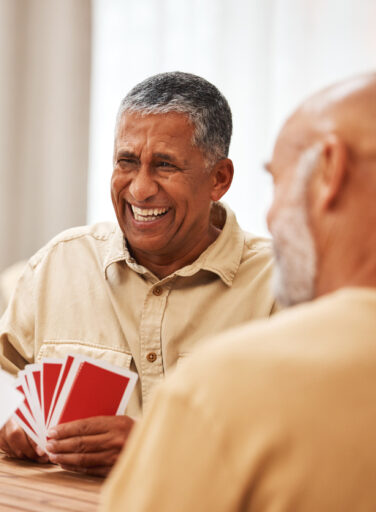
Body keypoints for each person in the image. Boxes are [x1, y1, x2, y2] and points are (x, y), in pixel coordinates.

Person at [100, 73, 376, 510]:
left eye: (278, 181)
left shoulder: (218, 388)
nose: (270, 214)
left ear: (331, 172)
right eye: (127, 161)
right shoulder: (58, 261)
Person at [0, 72, 276, 475]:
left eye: (164, 166)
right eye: (126, 162)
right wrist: (5, 418)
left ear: (219, 179)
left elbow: (309, 447)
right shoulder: (60, 263)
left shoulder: (282, 287)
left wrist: (154, 445)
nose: (139, 189)